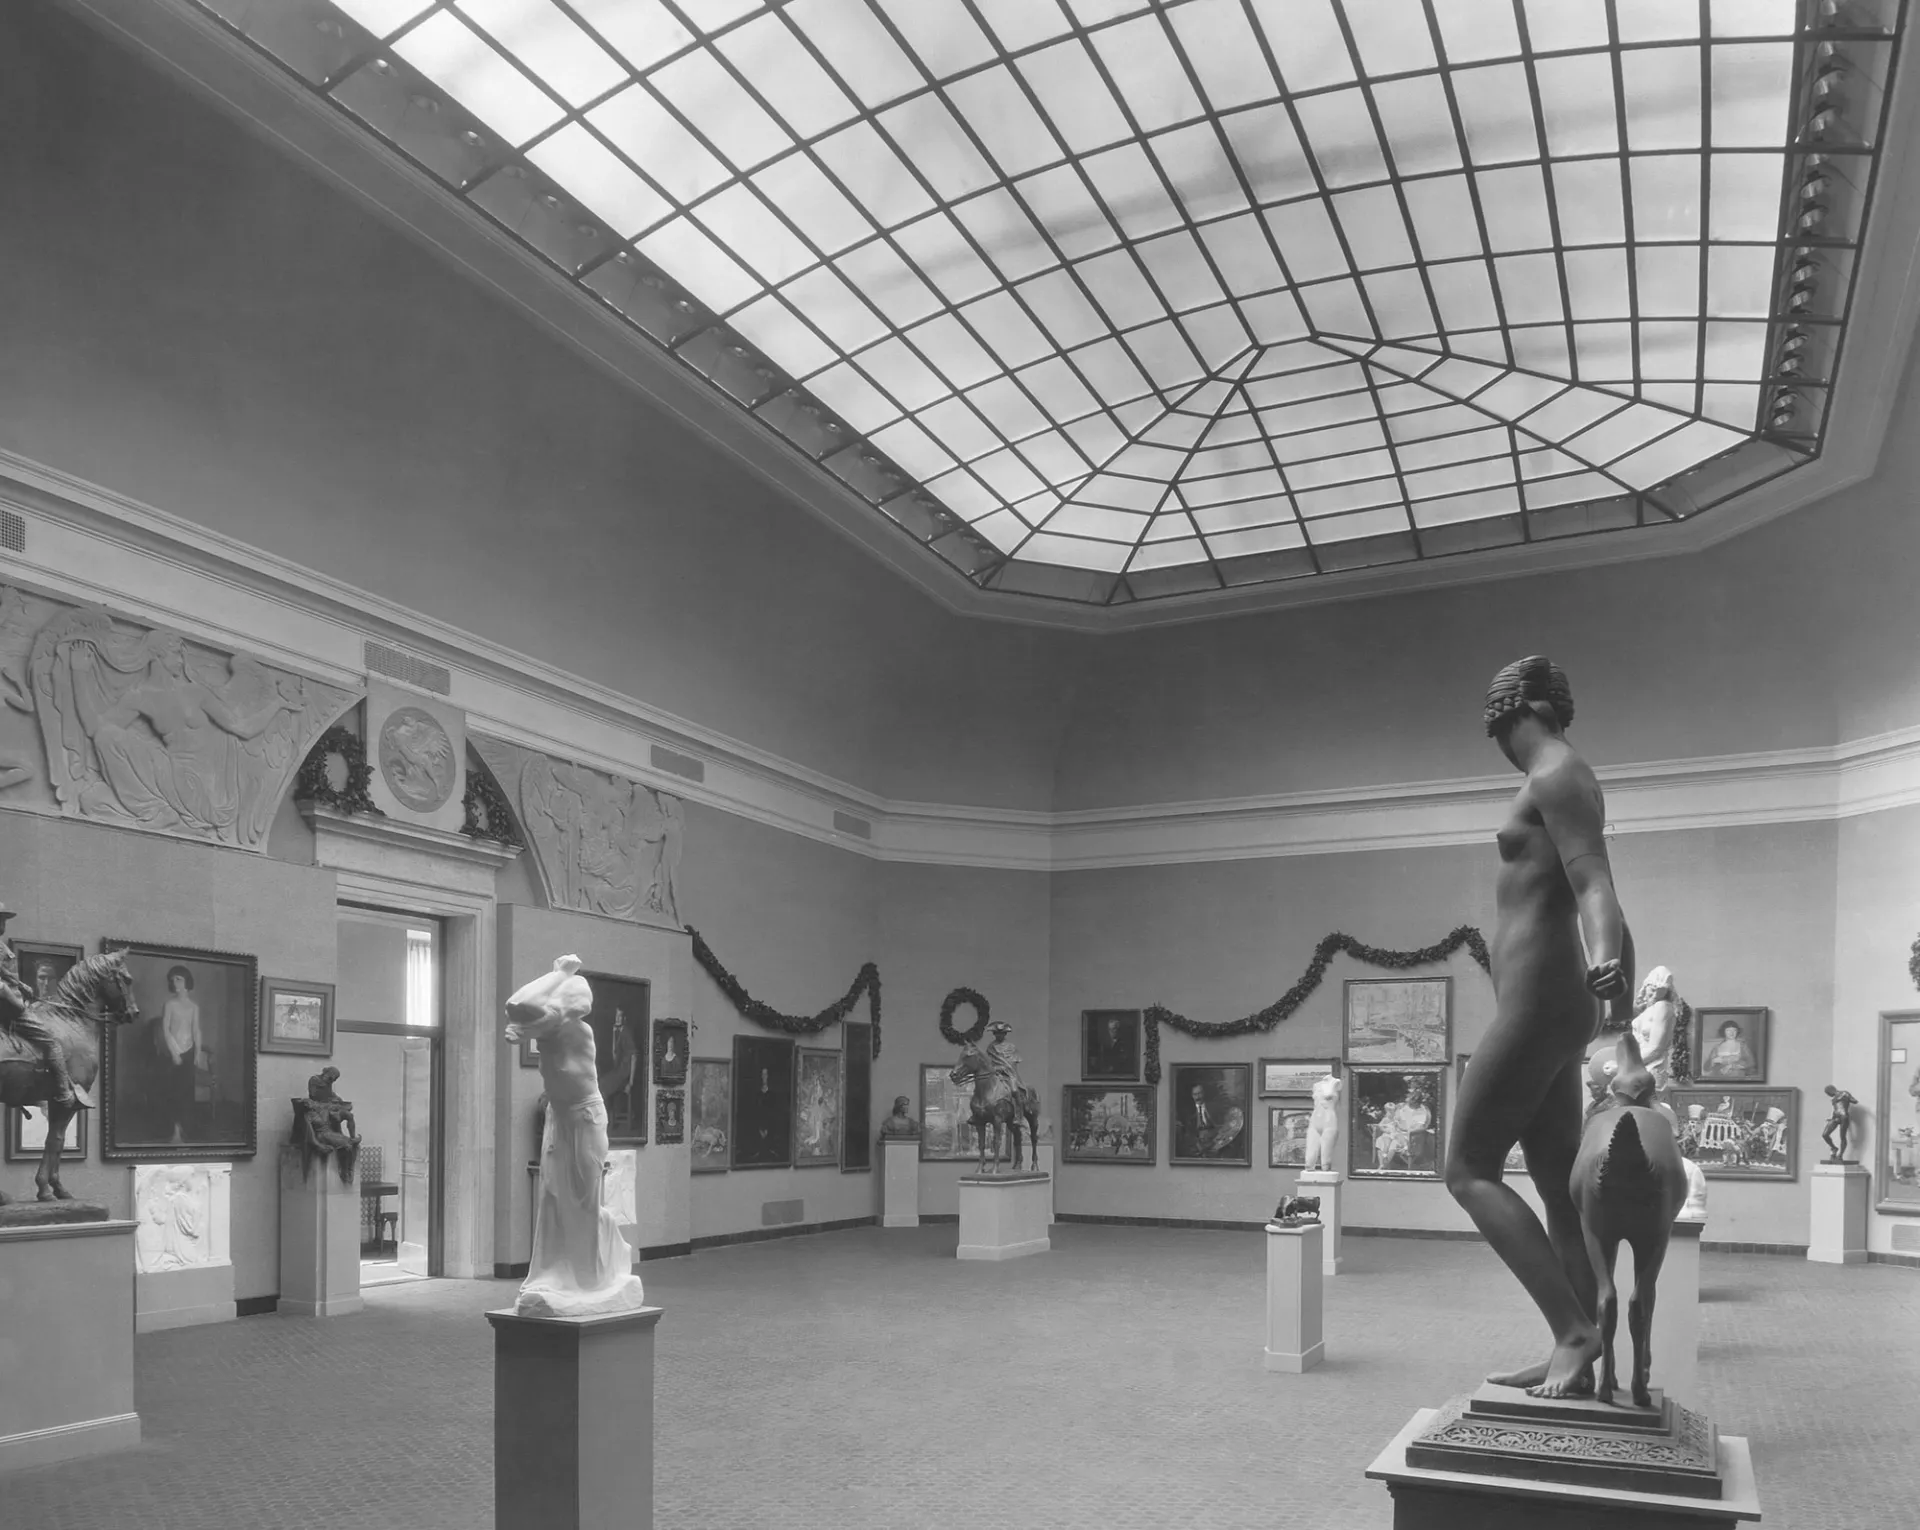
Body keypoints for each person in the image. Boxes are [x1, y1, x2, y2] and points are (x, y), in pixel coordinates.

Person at [1447, 656, 1634, 1400]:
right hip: (1548, 1001)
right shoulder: (1561, 775)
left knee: (1466, 1171)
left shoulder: (1556, 772)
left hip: (1541, 1000)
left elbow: (1594, 880)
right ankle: (1583, 1339)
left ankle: (1572, 1328)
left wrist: (1609, 958)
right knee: (1557, 1181)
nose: (1490, 727)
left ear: (1517, 705)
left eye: (1494, 711)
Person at [504, 955, 643, 1317]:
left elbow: (521, 1009)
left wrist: (559, 975)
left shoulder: (577, 1030)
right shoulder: (548, 1027)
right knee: (552, 1197)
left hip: (584, 1117)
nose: (581, 1006)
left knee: (582, 1201)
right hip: (559, 1116)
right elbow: (516, 1003)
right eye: (574, 999)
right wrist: (558, 975)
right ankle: (556, 1273)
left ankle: (589, 1277)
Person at [0, 904, 80, 1110]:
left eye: (4, 920)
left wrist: (20, 985)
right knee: (51, 1041)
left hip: (10, 998)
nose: (3, 924)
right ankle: (63, 1093)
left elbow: (4, 974)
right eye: (1, 919)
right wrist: (18, 1004)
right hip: (8, 1007)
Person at [157, 964, 202, 1144]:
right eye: (173, 979)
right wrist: (174, 1053)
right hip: (172, 1054)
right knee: (174, 1092)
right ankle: (173, 1130)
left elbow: (196, 1030)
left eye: (179, 979)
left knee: (187, 1093)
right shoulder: (169, 1004)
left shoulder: (193, 1007)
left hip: (189, 1052)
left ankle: (185, 1130)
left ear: (186, 981)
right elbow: (165, 1030)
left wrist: (197, 1053)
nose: (175, 982)